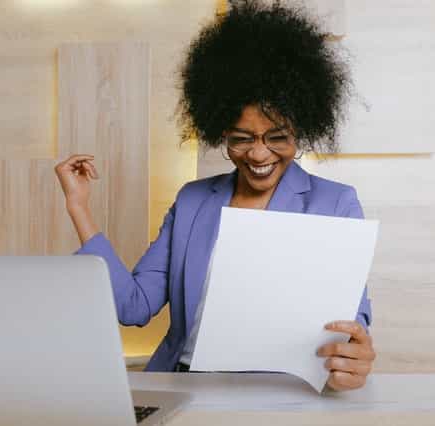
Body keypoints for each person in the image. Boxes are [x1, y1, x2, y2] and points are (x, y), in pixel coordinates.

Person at [55, 0, 375, 391]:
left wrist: (355, 353)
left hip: (279, 392)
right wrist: (79, 208)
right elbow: (133, 307)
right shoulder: (193, 201)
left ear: (301, 131)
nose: (258, 154)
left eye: (277, 138)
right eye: (242, 139)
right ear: (220, 132)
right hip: (183, 387)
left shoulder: (335, 204)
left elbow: (353, 317)